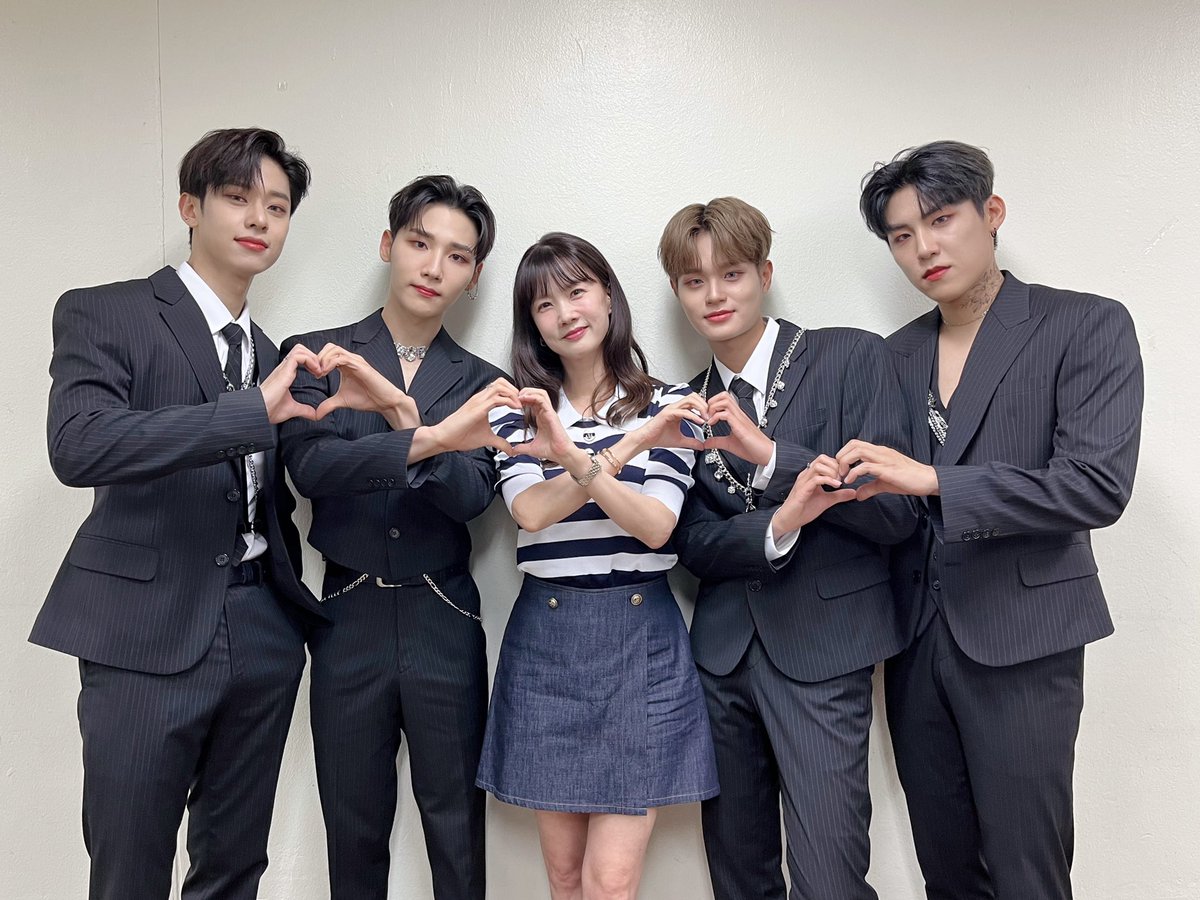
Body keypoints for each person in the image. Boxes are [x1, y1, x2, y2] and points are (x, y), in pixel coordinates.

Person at [31, 127, 326, 900]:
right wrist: (248, 411)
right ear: (191, 206)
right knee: (130, 870)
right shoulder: (107, 313)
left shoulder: (272, 353)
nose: (259, 218)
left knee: (235, 870)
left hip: (263, 632)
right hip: (144, 632)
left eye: (278, 207)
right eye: (238, 197)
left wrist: (415, 430)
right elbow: (79, 445)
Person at [849, 140, 1144, 899]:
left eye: (940, 219)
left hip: (1024, 642)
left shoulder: (1085, 324)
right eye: (901, 236)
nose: (923, 248)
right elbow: (889, 502)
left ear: (992, 213)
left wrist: (933, 480)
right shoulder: (894, 355)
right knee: (946, 873)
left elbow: (1094, 487)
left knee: (1026, 873)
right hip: (916, 644)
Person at [658, 197, 915, 899]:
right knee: (738, 878)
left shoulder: (849, 355)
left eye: (732, 274)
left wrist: (774, 459)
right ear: (678, 292)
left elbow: (898, 513)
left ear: (764, 275)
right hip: (720, 657)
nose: (714, 295)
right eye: (694, 281)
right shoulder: (684, 405)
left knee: (829, 880)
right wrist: (780, 526)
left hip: (825, 649)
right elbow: (692, 544)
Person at [279, 175, 514, 900]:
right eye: (419, 243)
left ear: (473, 275)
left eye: (456, 255)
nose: (433, 266)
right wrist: (430, 440)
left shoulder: (484, 383)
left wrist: (403, 420)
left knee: (457, 834)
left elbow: (471, 496)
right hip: (346, 612)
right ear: (388, 245)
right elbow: (312, 470)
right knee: (353, 833)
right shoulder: (317, 358)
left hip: (444, 610)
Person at [476, 232, 719, 900]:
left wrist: (585, 454)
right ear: (533, 324)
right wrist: (621, 450)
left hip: (641, 638)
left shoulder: (670, 406)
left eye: (577, 291)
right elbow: (531, 513)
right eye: (544, 304)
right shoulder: (521, 413)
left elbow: (655, 524)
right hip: (547, 639)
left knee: (609, 882)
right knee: (563, 877)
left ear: (608, 296)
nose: (565, 313)